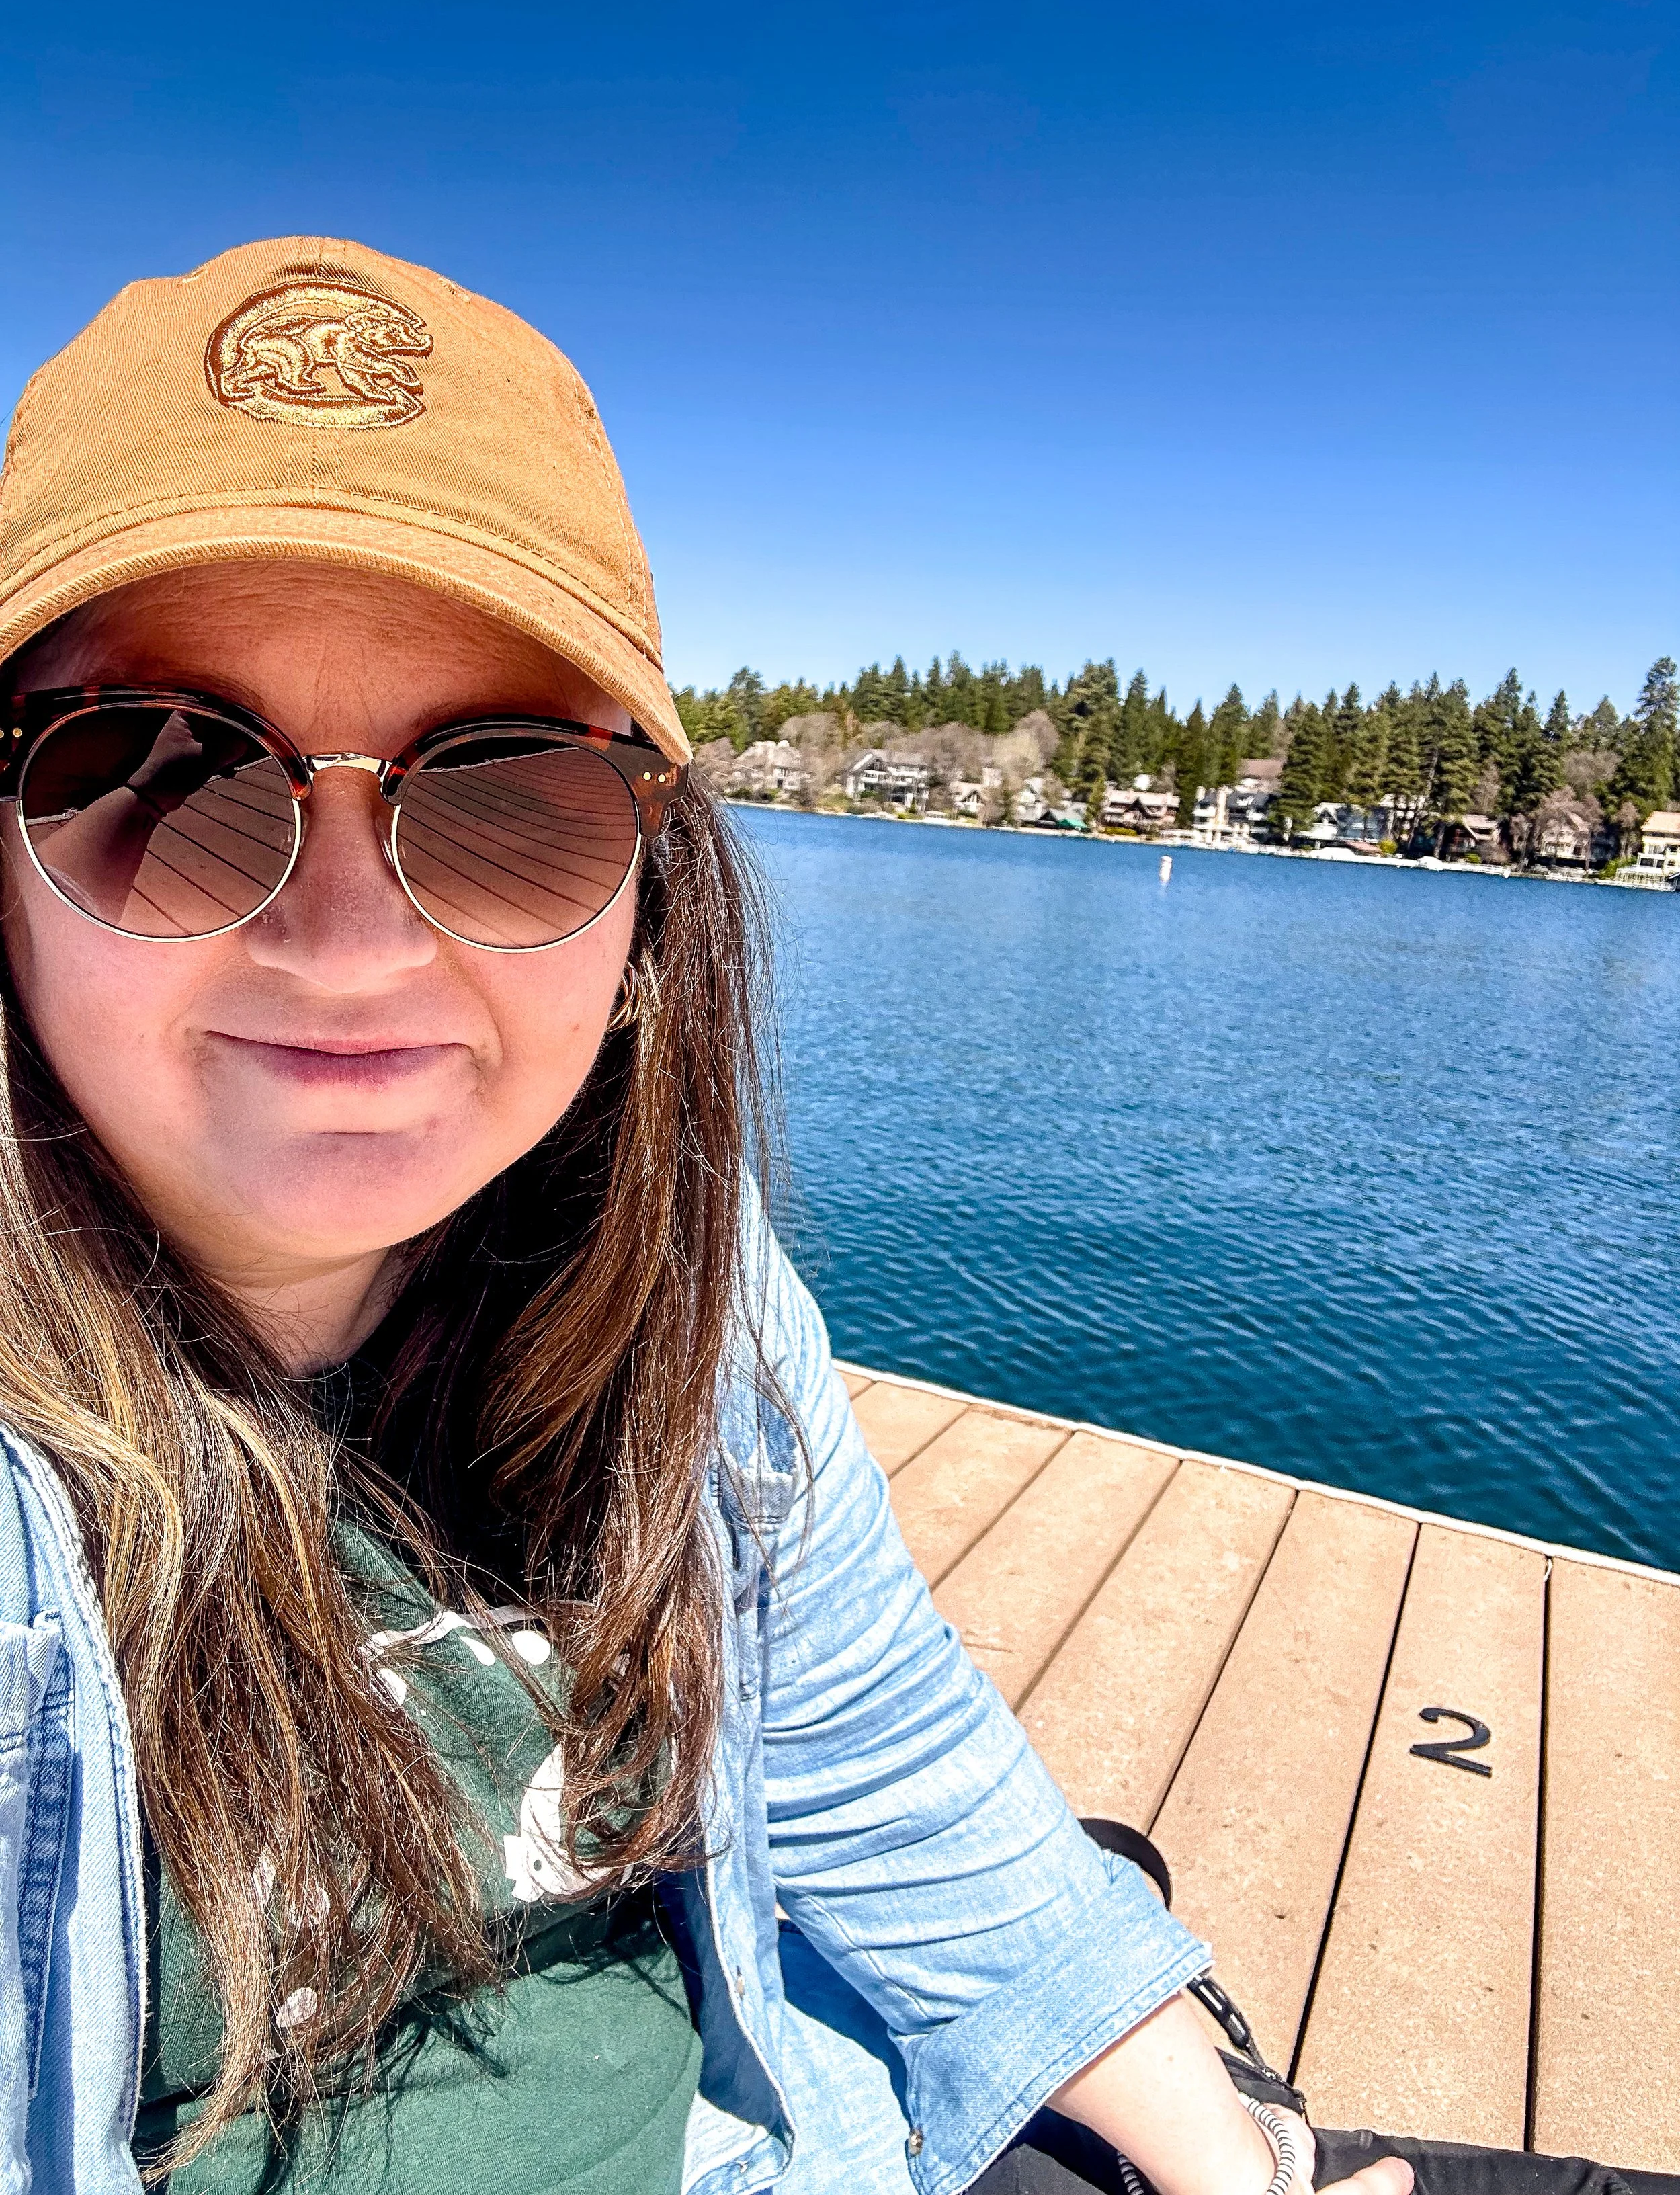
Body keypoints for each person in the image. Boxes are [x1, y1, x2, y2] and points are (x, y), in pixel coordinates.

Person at [0, 240, 1665, 2195]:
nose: (354, 945)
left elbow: (885, 1779)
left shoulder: (677, 1296)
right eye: (164, 775)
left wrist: (1241, 2178)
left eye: (506, 794)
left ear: (652, 881)